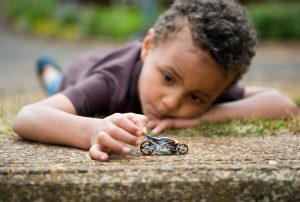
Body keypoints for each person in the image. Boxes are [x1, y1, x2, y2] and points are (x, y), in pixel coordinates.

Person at [13, 0, 298, 162]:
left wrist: (208, 114)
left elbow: (283, 104)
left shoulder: (203, 79)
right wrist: (93, 128)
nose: (172, 101)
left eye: (197, 98)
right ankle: (48, 69)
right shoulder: (108, 81)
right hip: (83, 71)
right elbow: (29, 116)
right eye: (167, 77)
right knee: (57, 85)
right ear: (148, 45)